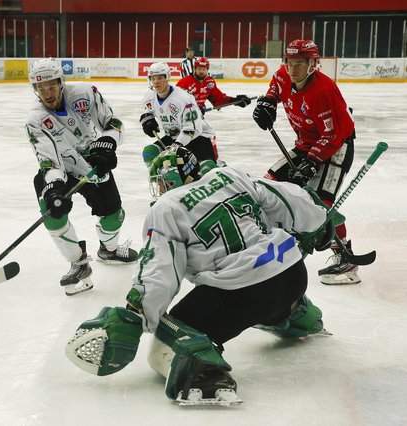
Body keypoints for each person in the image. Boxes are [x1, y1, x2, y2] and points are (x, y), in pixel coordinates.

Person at [65, 146, 336, 405]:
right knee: (266, 284)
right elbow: (284, 197)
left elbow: (160, 270)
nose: (159, 189)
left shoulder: (167, 207)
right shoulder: (229, 174)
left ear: (170, 179)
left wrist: (138, 313)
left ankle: (204, 374)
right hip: (293, 275)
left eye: (160, 182)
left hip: (243, 294)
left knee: (166, 342)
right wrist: (317, 221)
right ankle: (296, 315)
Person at [25, 57, 138, 296]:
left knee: (114, 215)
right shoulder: (35, 119)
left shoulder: (85, 93)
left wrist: (107, 144)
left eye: (51, 86)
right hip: (61, 168)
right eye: (40, 88)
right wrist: (54, 186)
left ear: (61, 82)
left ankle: (109, 250)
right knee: (51, 210)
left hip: (92, 163)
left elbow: (112, 122)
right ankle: (78, 263)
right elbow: (48, 160)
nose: (47, 93)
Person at [252, 39, 359, 285]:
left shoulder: (324, 91)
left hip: (336, 148)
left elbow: (333, 135)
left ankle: (345, 257)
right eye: (290, 62)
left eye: (301, 62)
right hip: (305, 143)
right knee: (269, 186)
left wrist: (312, 162)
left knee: (320, 206)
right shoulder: (283, 75)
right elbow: (274, 89)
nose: (294, 68)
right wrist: (267, 103)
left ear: (313, 64)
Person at [139, 62, 218, 174]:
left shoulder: (183, 98)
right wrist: (147, 119)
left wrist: (176, 147)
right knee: (149, 153)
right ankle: (165, 179)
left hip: (197, 138)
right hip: (173, 138)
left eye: (160, 78)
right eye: (153, 78)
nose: (156, 81)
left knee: (207, 173)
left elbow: (192, 129)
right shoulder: (149, 95)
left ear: (167, 78)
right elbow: (149, 110)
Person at [176, 57, 251, 115]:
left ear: (207, 70)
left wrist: (236, 101)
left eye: (204, 69)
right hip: (182, 118)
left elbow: (219, 100)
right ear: (194, 69)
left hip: (197, 118)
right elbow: (175, 102)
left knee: (210, 135)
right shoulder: (184, 82)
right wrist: (193, 108)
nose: (201, 71)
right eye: (199, 69)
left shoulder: (209, 83)